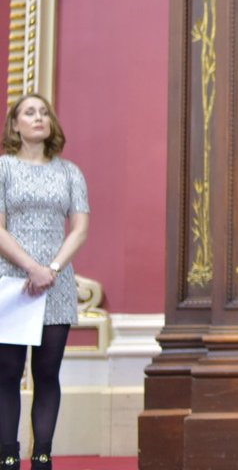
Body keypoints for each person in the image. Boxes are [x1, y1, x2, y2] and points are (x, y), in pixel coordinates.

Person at [0, 94, 89, 470]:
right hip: (12, 282)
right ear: (15, 125)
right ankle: (6, 455)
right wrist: (30, 268)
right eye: (28, 113)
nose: (38, 118)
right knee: (6, 373)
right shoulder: (3, 168)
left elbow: (80, 229)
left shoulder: (70, 172)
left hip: (56, 284)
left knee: (47, 373)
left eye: (43, 112)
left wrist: (50, 268)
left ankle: (42, 456)